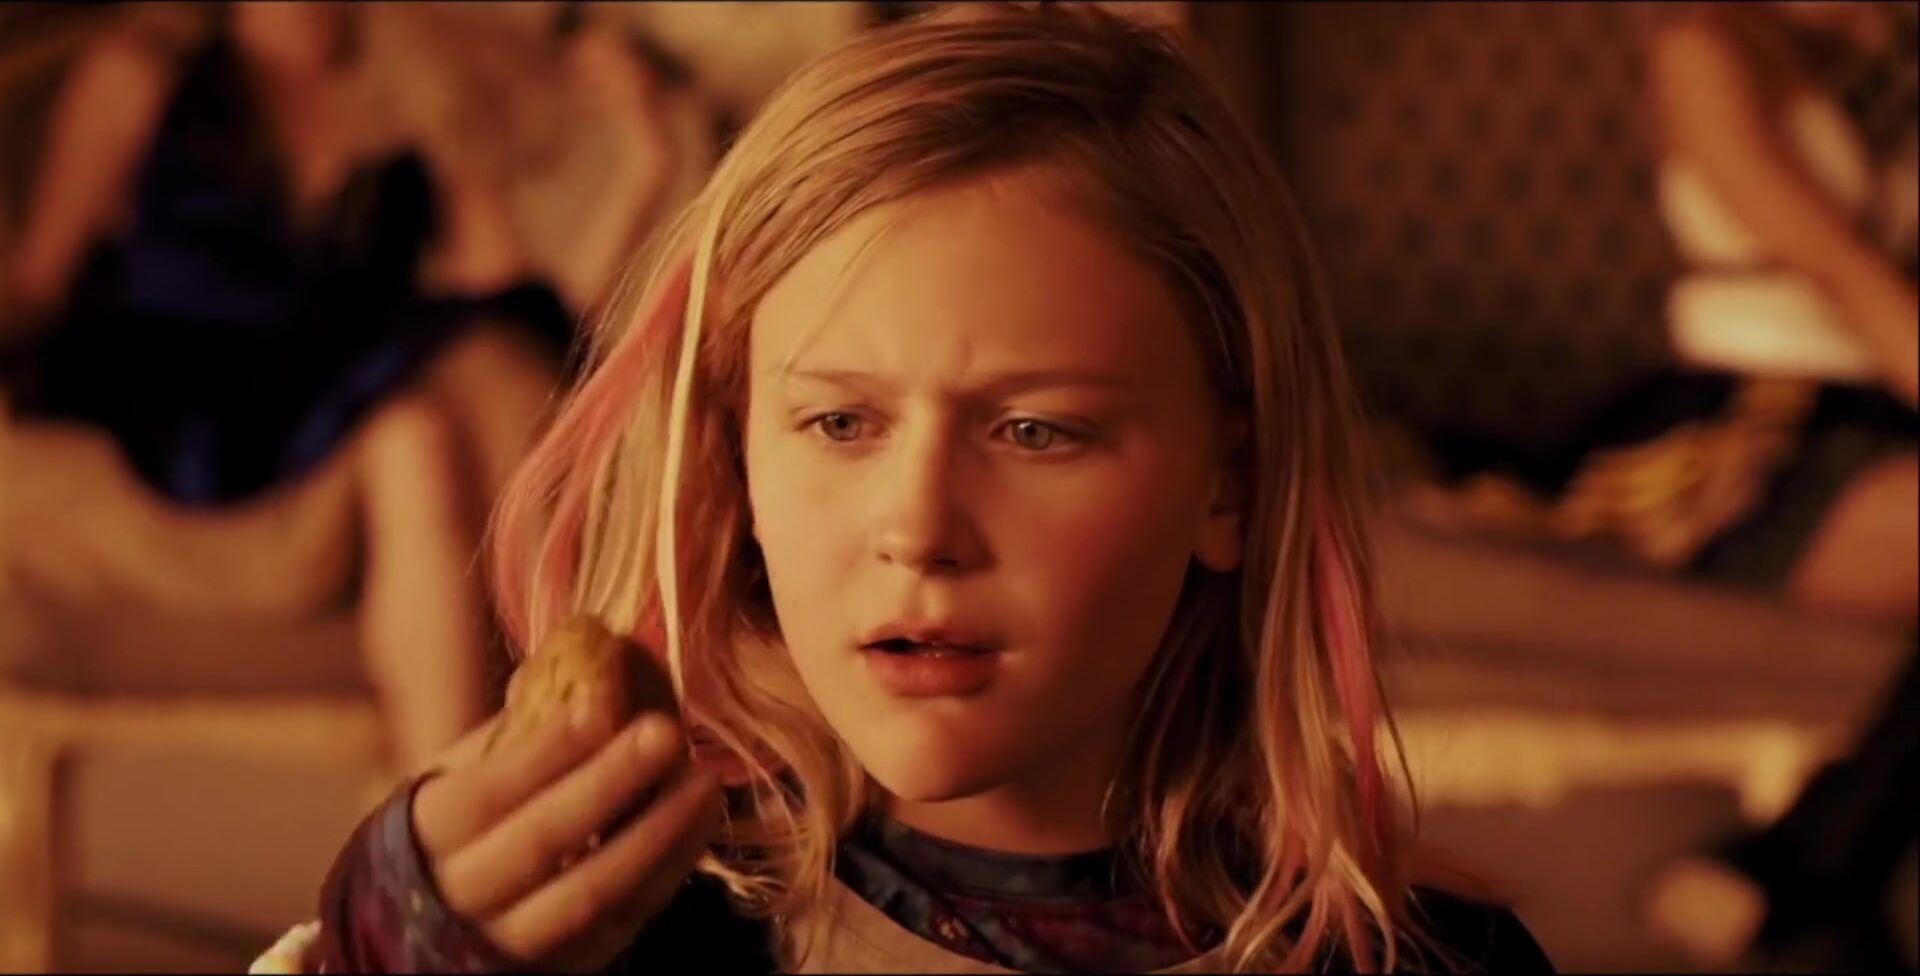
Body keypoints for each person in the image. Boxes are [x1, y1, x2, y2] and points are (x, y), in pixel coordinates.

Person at [251, 7, 1555, 973]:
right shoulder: (630, 940)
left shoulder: (1424, 962)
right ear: (736, 459)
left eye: (1035, 431)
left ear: (1233, 482)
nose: (918, 530)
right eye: (839, 422)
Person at [0, 2, 675, 770]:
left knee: (427, 425)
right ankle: (571, 724)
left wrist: (642, 171)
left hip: (340, 415)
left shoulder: (412, 87)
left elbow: (520, 314)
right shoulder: (143, 75)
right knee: (456, 388)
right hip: (188, 417)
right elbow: (39, 284)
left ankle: (457, 796)